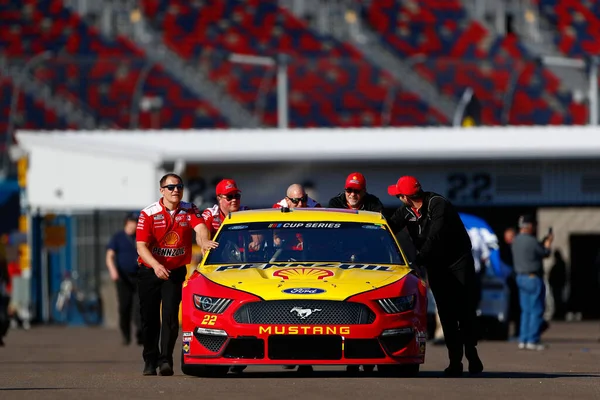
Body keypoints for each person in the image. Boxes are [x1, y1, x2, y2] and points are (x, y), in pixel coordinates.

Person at [386, 176, 483, 376]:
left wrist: (419, 259)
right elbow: (387, 228)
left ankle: (471, 353)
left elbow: (435, 235)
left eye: (398, 194)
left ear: (406, 196)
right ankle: (454, 361)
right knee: (446, 313)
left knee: (464, 309)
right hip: (435, 264)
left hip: (458, 261)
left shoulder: (438, 204)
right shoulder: (405, 211)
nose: (397, 198)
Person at [136, 173, 213, 376]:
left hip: (175, 271)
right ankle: (150, 359)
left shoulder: (189, 209)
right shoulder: (148, 213)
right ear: (162, 191)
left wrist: (204, 241)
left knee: (170, 316)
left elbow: (200, 227)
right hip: (150, 270)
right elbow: (141, 246)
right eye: (170, 187)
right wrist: (154, 265)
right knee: (149, 318)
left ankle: (165, 360)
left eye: (179, 186)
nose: (175, 190)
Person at [511, 214, 553, 351]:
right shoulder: (532, 241)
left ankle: (523, 339)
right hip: (533, 278)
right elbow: (545, 253)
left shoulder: (516, 241)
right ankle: (533, 339)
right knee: (536, 310)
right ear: (528, 226)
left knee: (525, 311)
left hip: (520, 278)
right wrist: (548, 243)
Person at [106, 212, 143, 346]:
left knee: (140, 306)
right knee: (124, 307)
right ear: (127, 222)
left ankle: (140, 334)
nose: (136, 224)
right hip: (123, 277)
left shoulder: (139, 237)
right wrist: (113, 271)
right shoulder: (118, 237)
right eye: (133, 221)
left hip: (138, 276)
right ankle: (125, 335)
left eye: (137, 222)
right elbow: (109, 256)